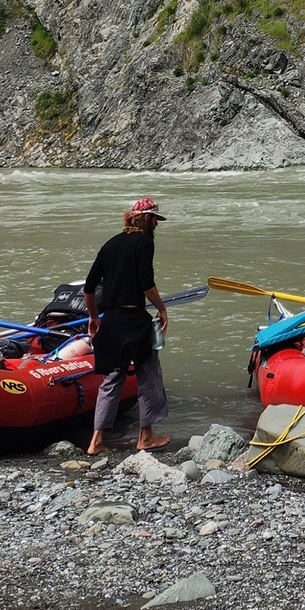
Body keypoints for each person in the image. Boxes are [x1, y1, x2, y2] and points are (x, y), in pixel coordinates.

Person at [84, 195, 171, 456]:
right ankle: (146, 436)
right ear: (146, 219)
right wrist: (162, 308)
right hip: (135, 322)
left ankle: (96, 441)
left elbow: (89, 287)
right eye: (155, 219)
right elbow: (146, 283)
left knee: (111, 380)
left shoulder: (110, 244)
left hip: (111, 322)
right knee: (149, 375)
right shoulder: (144, 243)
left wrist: (94, 317)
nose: (156, 225)